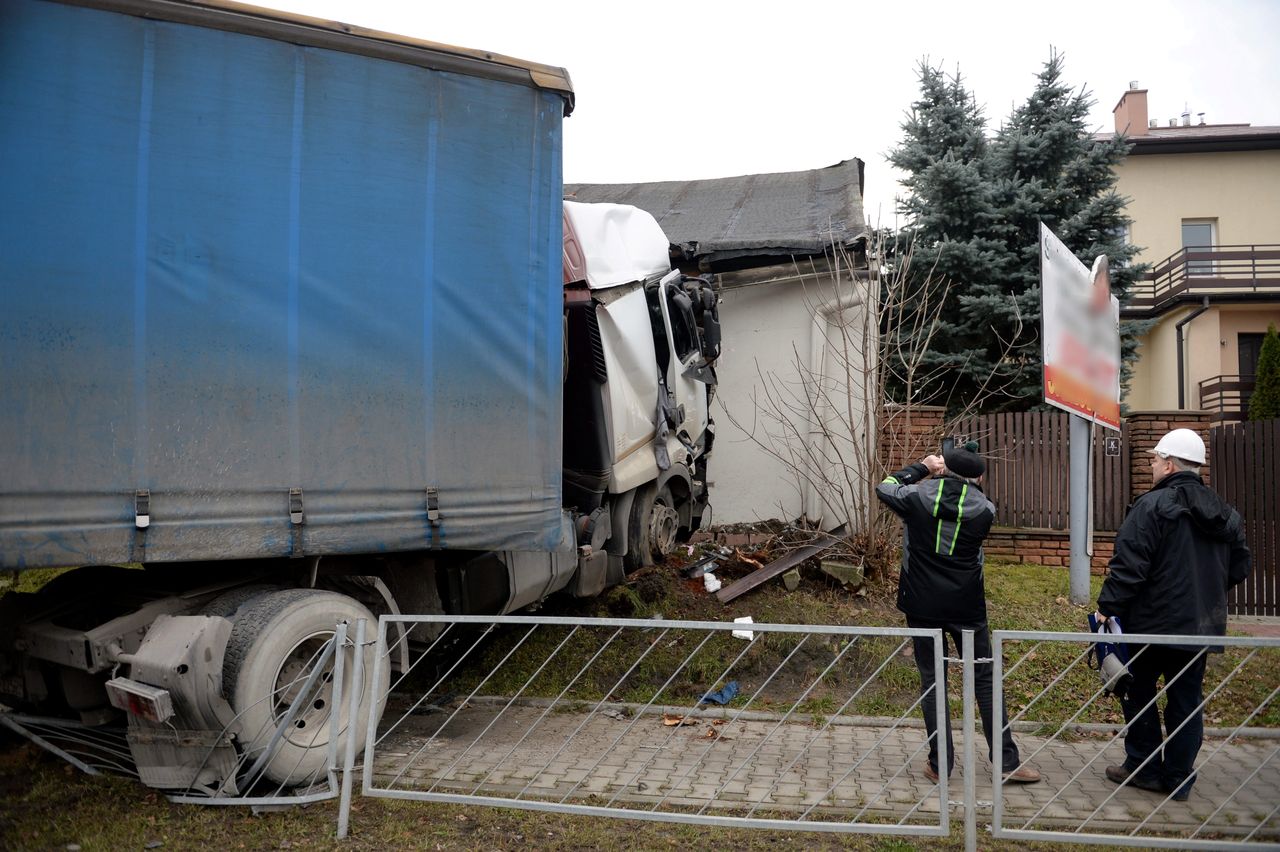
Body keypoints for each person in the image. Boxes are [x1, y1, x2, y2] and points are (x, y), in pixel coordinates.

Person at [1096, 428, 1251, 801]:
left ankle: (1144, 767)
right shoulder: (1226, 514)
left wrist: (1108, 609)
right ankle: (1179, 778)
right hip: (1199, 627)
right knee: (1186, 699)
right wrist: (1204, 595)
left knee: (1139, 694)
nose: (1150, 465)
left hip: (1150, 623)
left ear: (1168, 464)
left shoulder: (1150, 507)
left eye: (1153, 459)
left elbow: (1129, 566)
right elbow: (1239, 567)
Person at [876, 442, 1041, 784]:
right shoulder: (986, 511)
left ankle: (941, 765)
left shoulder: (916, 498)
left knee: (933, 681)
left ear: (943, 468)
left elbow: (886, 487)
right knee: (985, 678)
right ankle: (1006, 762)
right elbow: (963, 501)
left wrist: (922, 467)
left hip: (921, 605)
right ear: (978, 476)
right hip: (967, 607)